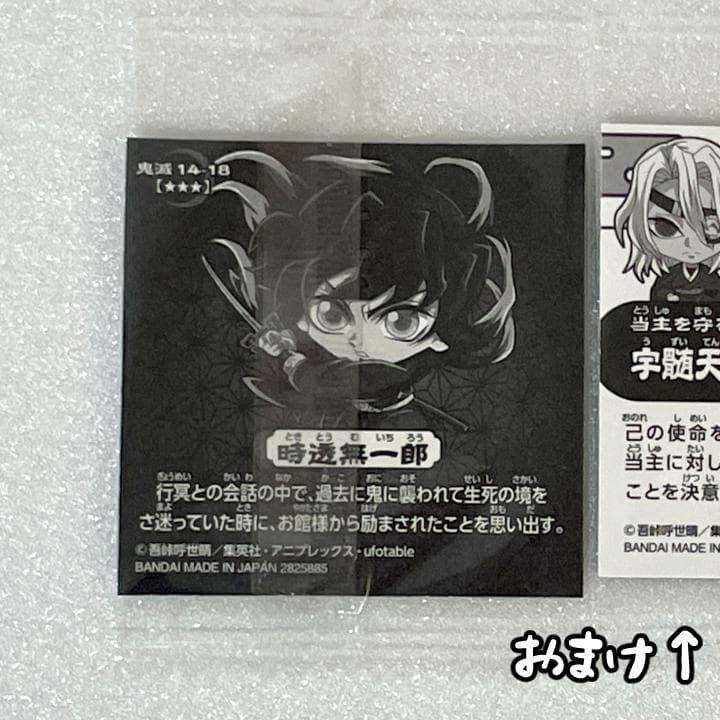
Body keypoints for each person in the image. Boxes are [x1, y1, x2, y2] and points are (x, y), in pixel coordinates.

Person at [203, 151, 515, 426]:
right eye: (331, 315)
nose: (359, 340)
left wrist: (289, 356)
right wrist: (285, 343)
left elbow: (330, 380)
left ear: (439, 335)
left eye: (401, 322)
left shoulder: (381, 378)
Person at [614, 137, 720, 304]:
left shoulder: (709, 277)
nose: (690, 243)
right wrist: (669, 298)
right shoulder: (670, 275)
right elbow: (659, 293)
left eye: (711, 229)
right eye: (666, 228)